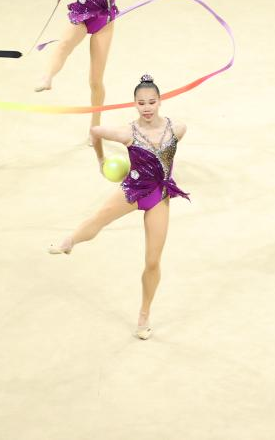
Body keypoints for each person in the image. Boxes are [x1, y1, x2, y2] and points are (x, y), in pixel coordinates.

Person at [48, 74, 189, 340]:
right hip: (133, 189)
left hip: (159, 195)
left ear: (160, 101)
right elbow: (95, 132)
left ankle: (144, 316)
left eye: (151, 102)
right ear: (134, 104)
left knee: (153, 261)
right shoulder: (127, 132)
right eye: (141, 103)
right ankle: (70, 241)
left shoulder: (177, 129)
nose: (146, 108)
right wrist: (101, 160)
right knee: (99, 218)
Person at [35, 0, 127, 132]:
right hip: (82, 13)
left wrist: (108, 3)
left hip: (104, 19)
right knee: (64, 44)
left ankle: (95, 127)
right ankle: (47, 77)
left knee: (95, 80)